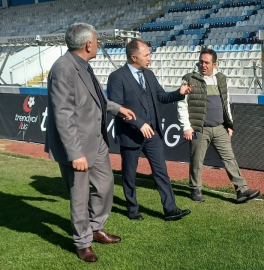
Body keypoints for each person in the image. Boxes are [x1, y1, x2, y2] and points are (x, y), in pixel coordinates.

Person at [45, 23, 136, 263]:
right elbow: (62, 115)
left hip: (97, 141)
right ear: (88, 44)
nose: (97, 44)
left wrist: (118, 109)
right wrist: (75, 153)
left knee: (105, 187)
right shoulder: (63, 69)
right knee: (79, 196)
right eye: (96, 40)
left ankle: (96, 228)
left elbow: (98, 99)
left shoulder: (83, 66)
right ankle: (82, 242)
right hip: (77, 146)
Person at [107, 39, 193, 222]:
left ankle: (170, 209)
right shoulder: (117, 77)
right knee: (129, 174)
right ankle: (132, 208)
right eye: (146, 55)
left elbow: (162, 96)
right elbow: (116, 107)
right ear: (133, 56)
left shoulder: (149, 75)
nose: (150, 58)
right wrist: (139, 124)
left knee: (161, 171)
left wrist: (179, 93)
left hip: (152, 134)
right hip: (131, 135)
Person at [177, 48, 260, 203]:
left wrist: (229, 124)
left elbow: (225, 102)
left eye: (207, 62)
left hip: (220, 127)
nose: (203, 65)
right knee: (197, 160)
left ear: (214, 64)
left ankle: (242, 190)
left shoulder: (221, 78)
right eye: (201, 61)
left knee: (230, 159)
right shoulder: (190, 78)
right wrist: (186, 127)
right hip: (199, 128)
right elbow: (182, 104)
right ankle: (195, 189)